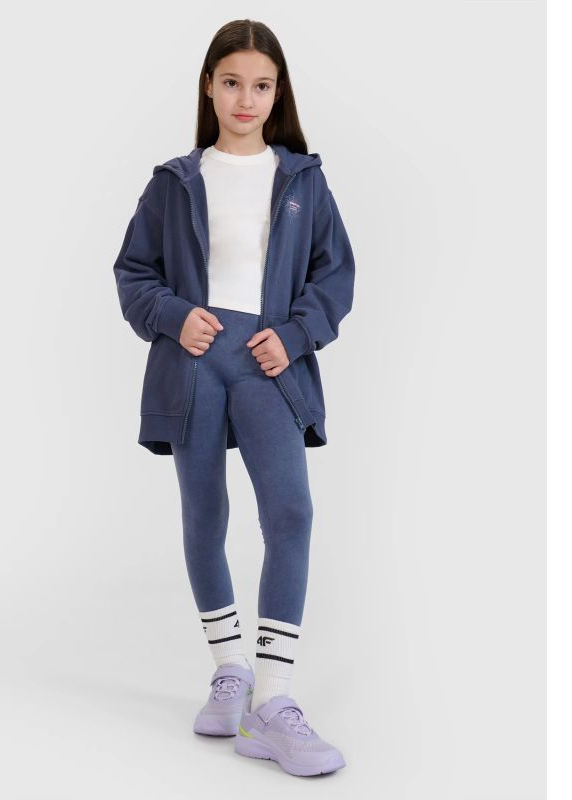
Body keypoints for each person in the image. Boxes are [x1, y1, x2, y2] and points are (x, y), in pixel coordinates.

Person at [112, 19, 355, 777]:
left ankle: (273, 701)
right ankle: (229, 672)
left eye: (261, 85)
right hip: (194, 367)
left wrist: (298, 334)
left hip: (266, 363)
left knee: (291, 513)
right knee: (205, 516)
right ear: (209, 87)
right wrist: (174, 316)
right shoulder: (174, 180)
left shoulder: (303, 181)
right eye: (231, 82)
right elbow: (133, 273)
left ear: (278, 94)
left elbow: (335, 276)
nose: (245, 98)